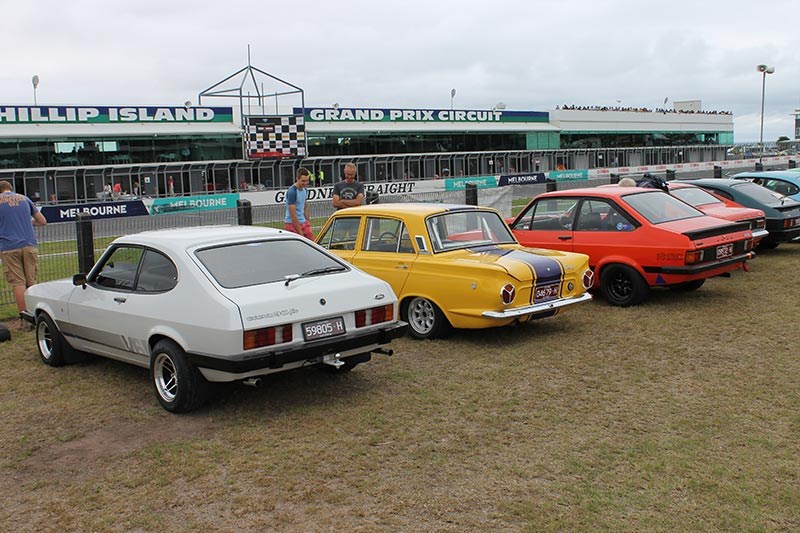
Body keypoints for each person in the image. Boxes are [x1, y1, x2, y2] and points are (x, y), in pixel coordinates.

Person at [0, 180, 47, 317]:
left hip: (9, 246)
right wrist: (28, 222)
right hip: (29, 244)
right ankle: (36, 313)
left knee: (18, 282)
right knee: (31, 281)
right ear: (10, 189)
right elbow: (42, 221)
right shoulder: (24, 199)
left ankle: (24, 316)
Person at [284, 168, 314, 240]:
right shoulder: (292, 192)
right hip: (291, 224)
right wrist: (300, 231)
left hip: (303, 222)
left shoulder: (304, 190)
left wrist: (307, 221)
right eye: (303, 181)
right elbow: (293, 214)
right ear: (297, 178)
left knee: (313, 243)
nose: (305, 183)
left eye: (307, 181)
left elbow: (305, 206)